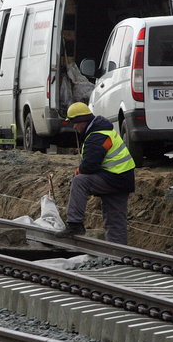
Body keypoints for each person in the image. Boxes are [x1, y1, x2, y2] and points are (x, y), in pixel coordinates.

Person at [54, 102, 136, 244]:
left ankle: (75, 224)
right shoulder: (103, 132)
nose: (74, 127)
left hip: (114, 178)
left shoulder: (96, 137)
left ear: (82, 121)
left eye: (74, 123)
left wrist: (78, 172)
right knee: (115, 220)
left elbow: (90, 165)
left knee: (80, 181)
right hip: (122, 179)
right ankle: (118, 253)